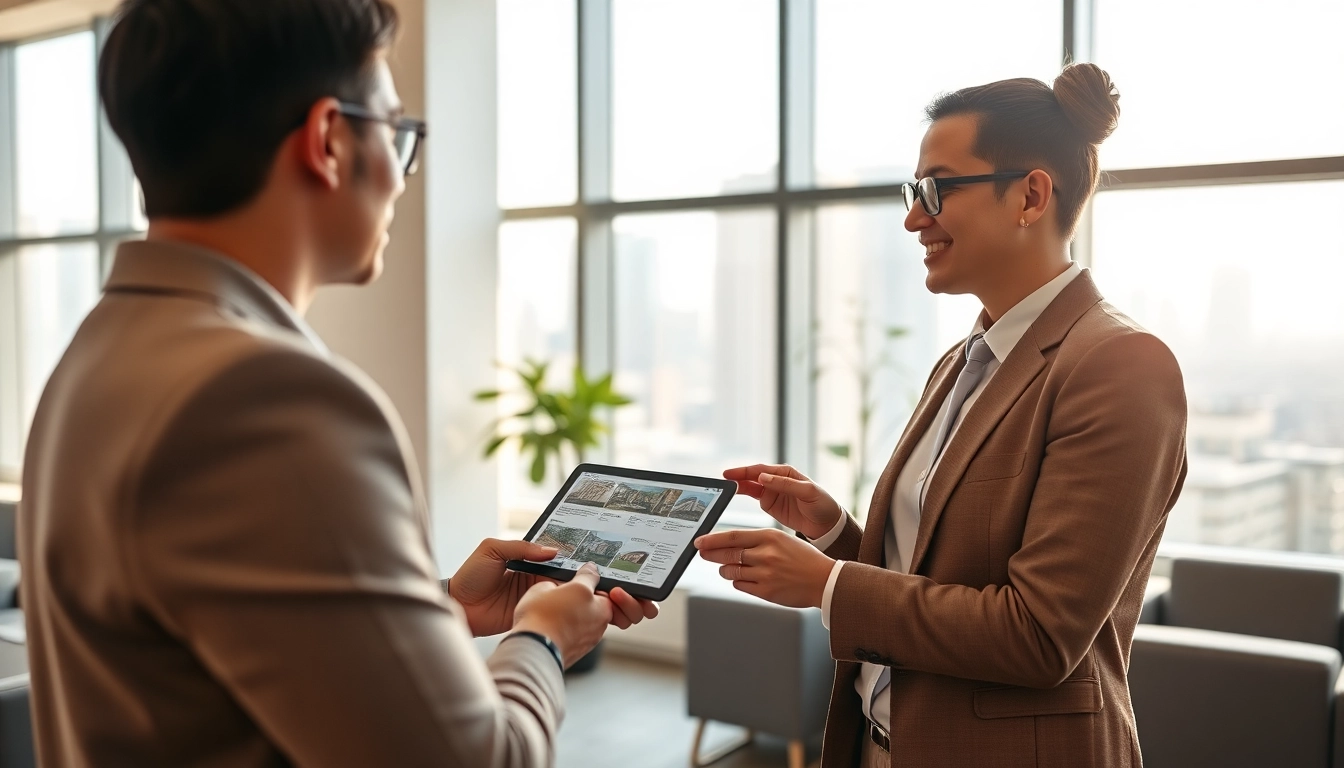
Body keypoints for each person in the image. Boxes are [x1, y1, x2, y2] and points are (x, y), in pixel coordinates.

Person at [17, 1, 656, 766]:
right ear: (328, 141)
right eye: (398, 132)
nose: (402, 172)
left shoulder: (99, 353)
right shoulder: (268, 399)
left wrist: (445, 608)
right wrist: (544, 641)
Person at [696, 63, 1187, 767]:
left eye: (935, 190)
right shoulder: (962, 361)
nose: (912, 217)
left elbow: (1038, 633)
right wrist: (834, 531)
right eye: (912, 191)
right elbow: (935, 574)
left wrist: (826, 585)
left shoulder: (1121, 365)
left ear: (1030, 195)